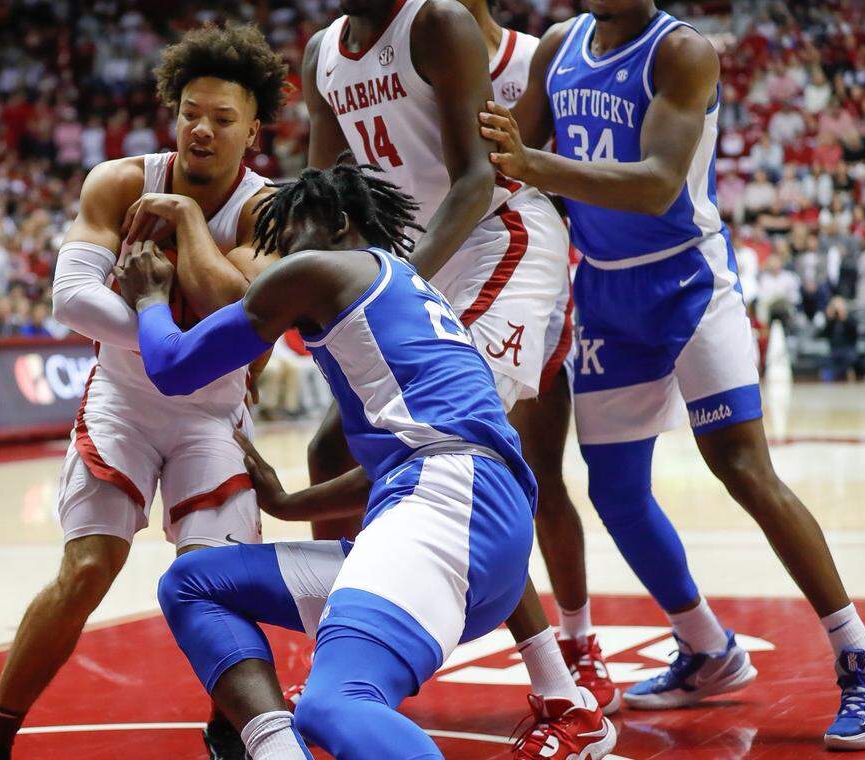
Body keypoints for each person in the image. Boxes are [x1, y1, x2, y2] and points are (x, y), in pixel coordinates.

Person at [479, 0, 865, 749]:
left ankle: (861, 656)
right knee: (616, 493)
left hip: (688, 282)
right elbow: (502, 156)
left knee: (743, 469)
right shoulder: (561, 46)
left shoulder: (683, 51)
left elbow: (657, 183)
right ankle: (706, 648)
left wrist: (532, 165)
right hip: (604, 287)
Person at [125, 162, 616, 760]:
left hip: (448, 507)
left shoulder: (322, 270)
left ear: (338, 224)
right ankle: (279, 752)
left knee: (335, 704)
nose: (278, 257)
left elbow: (175, 367)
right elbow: (415, 455)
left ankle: (560, 696)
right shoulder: (402, 288)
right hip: (480, 534)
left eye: (288, 236)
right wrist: (288, 504)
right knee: (193, 582)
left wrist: (150, 298)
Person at [0, 24, 288, 760]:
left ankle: (228, 732)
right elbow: (71, 301)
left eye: (222, 119)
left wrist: (183, 228)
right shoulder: (117, 180)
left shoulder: (270, 209)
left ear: (254, 132)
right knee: (85, 571)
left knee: (218, 583)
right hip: (124, 403)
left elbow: (245, 310)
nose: (201, 129)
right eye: (190, 112)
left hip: (211, 417)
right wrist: (170, 325)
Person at [302, 0, 619, 722]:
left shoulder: (441, 26)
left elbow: (476, 181)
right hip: (417, 258)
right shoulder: (323, 52)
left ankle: (566, 686)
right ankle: (342, 657)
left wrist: (392, 287)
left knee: (462, 455)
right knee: (330, 447)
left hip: (497, 242)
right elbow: (319, 198)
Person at [458, 0, 618, 709]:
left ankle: (578, 642)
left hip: (528, 272)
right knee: (356, 448)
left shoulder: (538, 58)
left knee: (537, 471)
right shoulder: (406, 55)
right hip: (449, 262)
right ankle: (343, 634)